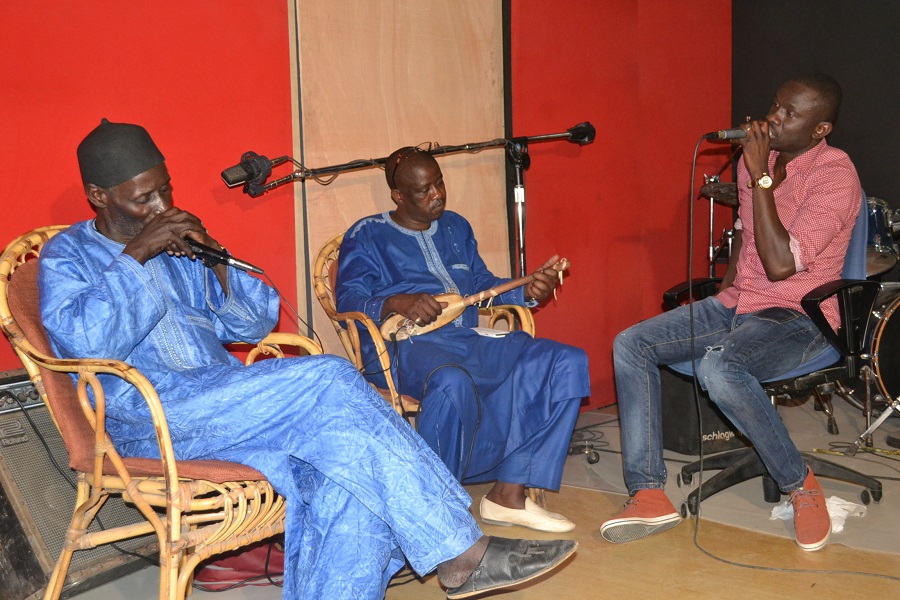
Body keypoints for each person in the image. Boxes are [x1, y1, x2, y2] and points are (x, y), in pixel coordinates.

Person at [38, 119, 578, 600]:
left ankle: (437, 553)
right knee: (327, 374)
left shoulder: (181, 253)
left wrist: (217, 260)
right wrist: (138, 255)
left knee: (345, 470)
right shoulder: (68, 256)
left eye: (165, 191)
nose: (161, 209)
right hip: (150, 418)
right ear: (99, 196)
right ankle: (459, 549)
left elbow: (250, 325)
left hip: (231, 409)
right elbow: (85, 342)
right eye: (143, 199)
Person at [602, 74, 860, 552]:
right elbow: (746, 232)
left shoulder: (835, 175)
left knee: (721, 366)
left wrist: (762, 173)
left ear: (820, 130)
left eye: (790, 114)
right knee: (630, 343)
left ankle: (799, 484)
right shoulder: (754, 163)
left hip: (802, 316)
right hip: (740, 303)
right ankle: (648, 492)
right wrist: (720, 299)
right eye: (776, 106)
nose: (773, 118)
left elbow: (782, 264)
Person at [335, 147, 591, 533]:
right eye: (424, 191)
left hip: (467, 338)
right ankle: (434, 510)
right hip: (403, 349)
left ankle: (508, 493)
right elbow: (348, 299)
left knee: (564, 361)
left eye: (439, 183)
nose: (437, 194)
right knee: (451, 380)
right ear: (399, 196)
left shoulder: (456, 227)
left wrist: (530, 291)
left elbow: (484, 287)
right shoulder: (367, 234)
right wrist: (395, 301)